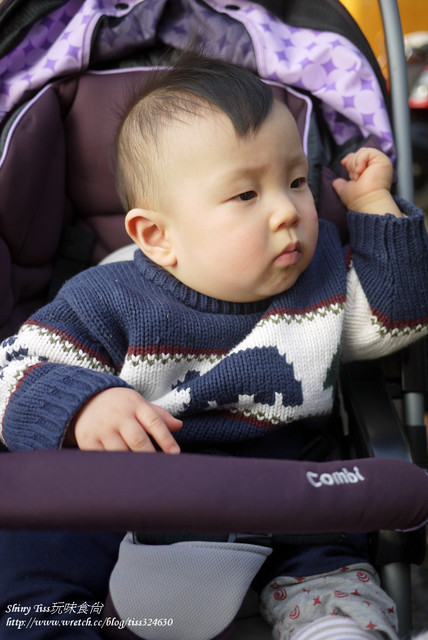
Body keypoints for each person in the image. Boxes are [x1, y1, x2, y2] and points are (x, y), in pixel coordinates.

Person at [0, 52, 427, 639]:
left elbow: (397, 320)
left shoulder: (322, 274)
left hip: (282, 490)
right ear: (157, 235)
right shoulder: (107, 297)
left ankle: (333, 628)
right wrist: (82, 403)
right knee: (32, 557)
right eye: (246, 195)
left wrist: (374, 205)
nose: (288, 212)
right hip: (130, 492)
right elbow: (17, 366)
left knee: (330, 560)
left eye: (297, 181)